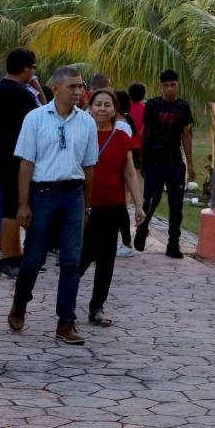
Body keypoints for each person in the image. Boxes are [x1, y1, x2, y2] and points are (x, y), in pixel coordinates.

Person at [8, 66, 97, 345]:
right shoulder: (35, 119)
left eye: (81, 86)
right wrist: (23, 204)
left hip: (73, 195)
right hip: (42, 194)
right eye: (73, 87)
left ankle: (66, 322)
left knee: (71, 261)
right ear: (56, 88)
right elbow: (25, 163)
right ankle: (20, 303)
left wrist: (86, 207)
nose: (79, 92)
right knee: (33, 259)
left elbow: (89, 167)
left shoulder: (87, 122)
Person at [81, 90, 145, 326]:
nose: (102, 108)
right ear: (90, 107)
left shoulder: (120, 137)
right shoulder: (81, 133)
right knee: (83, 255)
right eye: (98, 104)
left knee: (107, 259)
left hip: (113, 204)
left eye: (108, 105)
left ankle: (97, 307)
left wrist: (138, 204)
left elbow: (129, 171)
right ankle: (65, 303)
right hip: (85, 206)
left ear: (115, 109)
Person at [0, 48, 40, 278]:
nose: (34, 72)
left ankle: (16, 256)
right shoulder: (23, 94)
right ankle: (9, 258)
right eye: (34, 67)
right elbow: (39, 121)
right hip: (20, 156)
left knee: (10, 204)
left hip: (4, 152)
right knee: (13, 207)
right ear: (26, 67)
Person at [137, 70, 195, 258]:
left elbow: (186, 135)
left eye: (173, 84)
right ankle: (141, 230)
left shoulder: (183, 107)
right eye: (166, 85)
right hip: (154, 161)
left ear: (178, 84)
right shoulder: (153, 105)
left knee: (176, 205)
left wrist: (191, 164)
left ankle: (173, 244)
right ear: (161, 85)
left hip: (175, 163)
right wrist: (142, 159)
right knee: (152, 200)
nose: (170, 88)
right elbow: (144, 132)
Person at [114, 90, 136, 258]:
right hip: (118, 171)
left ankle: (127, 242)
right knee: (120, 208)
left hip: (118, 171)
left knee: (120, 208)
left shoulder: (121, 125)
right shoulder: (124, 122)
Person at [127, 82, 146, 170]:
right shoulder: (146, 109)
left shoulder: (125, 111)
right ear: (143, 95)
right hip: (143, 147)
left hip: (128, 148)